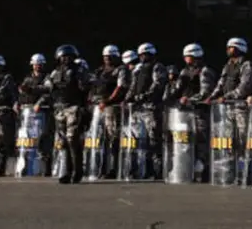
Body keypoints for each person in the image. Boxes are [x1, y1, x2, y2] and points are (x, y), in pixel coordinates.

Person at [206, 37, 252, 184]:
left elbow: (245, 87)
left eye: (231, 47)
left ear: (239, 48)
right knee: (230, 141)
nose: (228, 49)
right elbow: (221, 83)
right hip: (228, 108)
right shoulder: (228, 65)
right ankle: (233, 172)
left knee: (244, 140)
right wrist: (212, 97)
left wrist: (226, 97)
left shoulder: (247, 65)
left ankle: (247, 172)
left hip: (241, 108)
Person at [36, 44, 90, 184]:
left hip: (73, 107)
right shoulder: (54, 73)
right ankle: (65, 171)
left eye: (69, 56)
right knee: (63, 142)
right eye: (63, 56)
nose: (66, 59)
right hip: (59, 108)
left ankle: (77, 172)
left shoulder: (79, 70)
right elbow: (46, 87)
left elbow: (86, 86)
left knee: (73, 139)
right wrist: (30, 89)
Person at [168, 43, 217, 182]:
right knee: (186, 140)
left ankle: (204, 171)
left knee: (202, 140)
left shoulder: (205, 71)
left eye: (188, 56)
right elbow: (178, 89)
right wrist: (169, 99)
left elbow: (205, 92)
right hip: (184, 113)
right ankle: (186, 169)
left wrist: (189, 99)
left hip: (200, 111)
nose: (185, 59)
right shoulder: (184, 72)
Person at [125, 42, 167, 179]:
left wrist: (144, 96)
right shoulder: (138, 69)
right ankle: (140, 169)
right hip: (137, 109)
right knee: (138, 140)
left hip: (151, 108)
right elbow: (133, 85)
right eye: (141, 55)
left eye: (145, 54)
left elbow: (158, 85)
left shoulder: (157, 67)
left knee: (154, 139)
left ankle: (158, 170)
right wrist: (128, 99)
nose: (143, 57)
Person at [88, 44, 130, 178]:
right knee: (99, 139)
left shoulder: (121, 69)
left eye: (110, 57)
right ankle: (99, 168)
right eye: (106, 57)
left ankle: (113, 169)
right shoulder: (100, 71)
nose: (108, 60)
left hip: (112, 107)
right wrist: (91, 99)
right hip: (97, 108)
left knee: (113, 138)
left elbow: (120, 87)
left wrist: (107, 101)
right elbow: (92, 86)